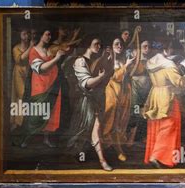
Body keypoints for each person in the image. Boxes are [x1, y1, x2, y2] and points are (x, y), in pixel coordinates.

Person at [142, 39, 185, 168]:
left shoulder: (150, 62)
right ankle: (157, 156)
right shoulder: (168, 63)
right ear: (166, 49)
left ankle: (156, 155)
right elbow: (180, 83)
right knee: (170, 125)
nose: (172, 52)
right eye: (171, 49)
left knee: (157, 124)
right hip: (167, 96)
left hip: (155, 94)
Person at [66, 36, 111, 170]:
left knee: (95, 128)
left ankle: (102, 160)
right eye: (96, 44)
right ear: (87, 45)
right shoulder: (80, 61)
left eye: (99, 44)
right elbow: (87, 84)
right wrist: (101, 76)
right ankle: (101, 161)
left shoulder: (96, 61)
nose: (98, 46)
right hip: (84, 101)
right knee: (85, 130)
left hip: (94, 100)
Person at [19, 28, 66, 148]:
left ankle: (46, 139)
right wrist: (57, 58)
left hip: (52, 84)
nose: (49, 37)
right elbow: (40, 68)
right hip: (39, 86)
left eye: (50, 35)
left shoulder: (49, 50)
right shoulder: (33, 51)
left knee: (50, 113)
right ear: (41, 35)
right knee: (36, 114)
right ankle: (26, 139)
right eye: (47, 34)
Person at [103, 37, 136, 162]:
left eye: (121, 44)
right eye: (116, 44)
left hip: (123, 93)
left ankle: (117, 149)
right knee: (110, 119)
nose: (119, 46)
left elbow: (126, 77)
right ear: (111, 46)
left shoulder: (123, 60)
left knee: (120, 121)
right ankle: (116, 151)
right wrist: (126, 66)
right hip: (111, 93)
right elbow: (115, 76)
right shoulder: (108, 60)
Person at [126, 40, 152, 146]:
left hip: (147, 92)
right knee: (135, 114)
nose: (147, 48)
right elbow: (128, 75)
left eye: (148, 46)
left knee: (145, 115)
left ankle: (143, 137)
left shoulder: (151, 61)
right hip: (136, 92)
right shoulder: (134, 61)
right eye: (144, 46)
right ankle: (131, 138)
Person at [11, 28, 33, 131]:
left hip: (29, 72)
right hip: (19, 73)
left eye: (28, 34)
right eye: (24, 34)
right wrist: (31, 47)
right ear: (20, 35)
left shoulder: (31, 47)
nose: (26, 36)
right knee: (21, 95)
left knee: (29, 96)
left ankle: (26, 122)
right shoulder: (16, 48)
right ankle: (19, 122)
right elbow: (20, 59)